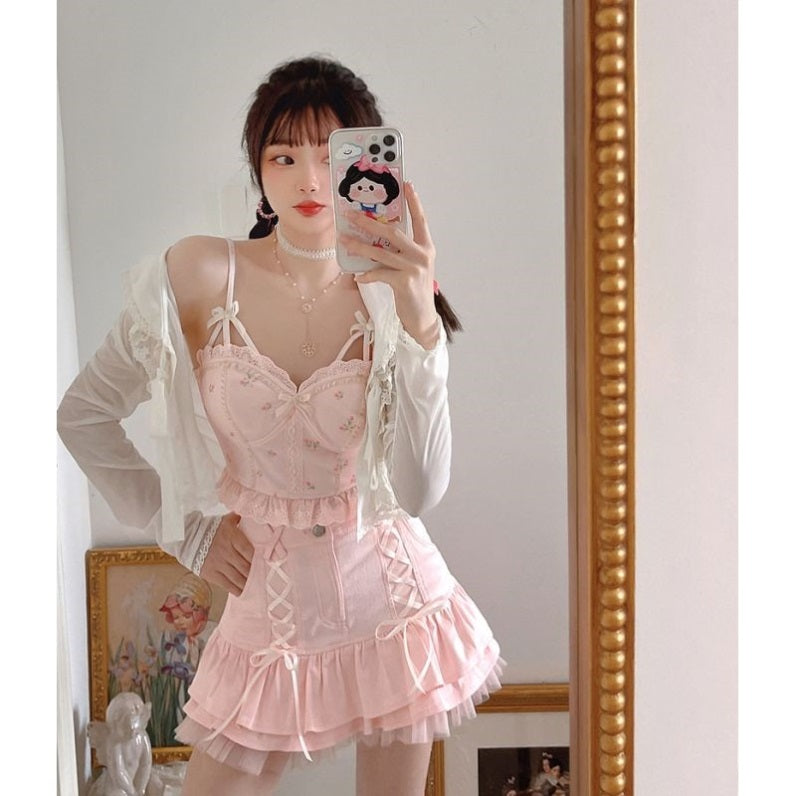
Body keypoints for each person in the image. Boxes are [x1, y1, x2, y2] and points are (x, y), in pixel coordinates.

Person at [59, 56, 503, 795]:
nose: (307, 179)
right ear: (256, 167)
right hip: (265, 605)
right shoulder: (198, 274)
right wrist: (186, 532)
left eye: (332, 156)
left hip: (395, 599)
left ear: (368, 166)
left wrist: (422, 324)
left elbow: (418, 492)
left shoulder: (389, 295)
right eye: (284, 156)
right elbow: (83, 415)